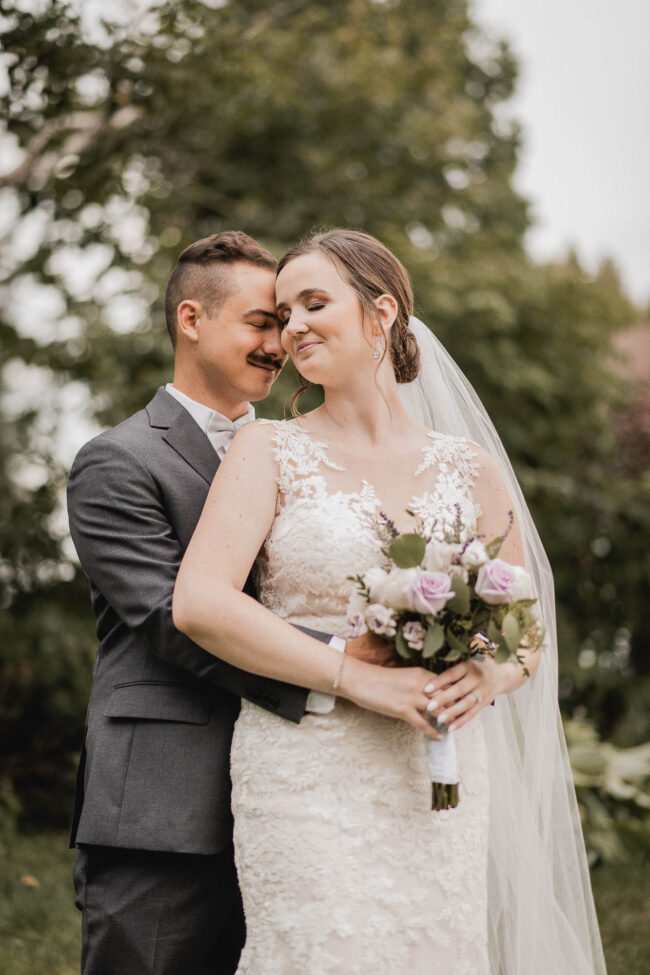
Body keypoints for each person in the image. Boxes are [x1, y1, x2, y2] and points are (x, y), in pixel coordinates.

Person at [173, 229, 607, 974]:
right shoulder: (267, 450)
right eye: (283, 312)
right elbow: (200, 604)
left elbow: (526, 625)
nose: (293, 327)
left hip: (439, 768)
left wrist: (489, 674)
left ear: (380, 314)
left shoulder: (468, 467)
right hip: (306, 768)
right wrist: (354, 676)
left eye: (314, 303)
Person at [66, 231, 433, 975]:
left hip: (305, 801)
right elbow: (170, 620)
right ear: (191, 319)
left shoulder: (300, 455)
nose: (280, 343)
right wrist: (349, 667)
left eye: (288, 321)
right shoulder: (118, 460)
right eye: (261, 322)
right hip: (165, 806)